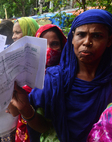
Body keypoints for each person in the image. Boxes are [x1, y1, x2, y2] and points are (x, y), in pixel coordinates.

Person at [8, 9, 112, 142]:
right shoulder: (53, 79)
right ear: (72, 39)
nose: (87, 42)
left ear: (109, 41)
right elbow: (44, 127)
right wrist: (26, 110)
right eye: (81, 34)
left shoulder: (109, 83)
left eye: (97, 36)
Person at [15, 24, 67, 142]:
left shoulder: (67, 76)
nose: (48, 49)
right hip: (25, 130)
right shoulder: (25, 71)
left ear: (62, 46)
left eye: (54, 44)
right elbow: (13, 111)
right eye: (43, 44)